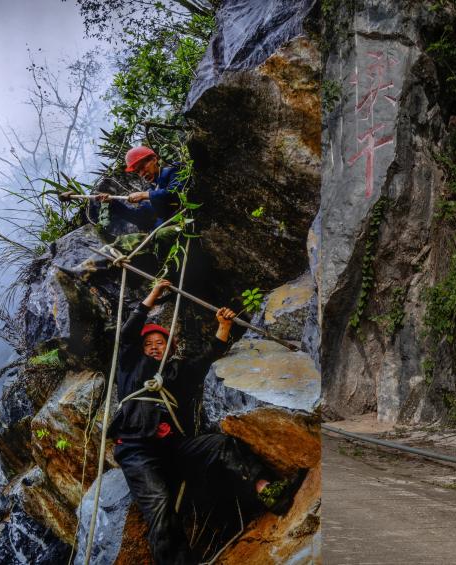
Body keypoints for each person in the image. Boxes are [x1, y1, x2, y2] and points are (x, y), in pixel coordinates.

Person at [108, 279, 295, 565]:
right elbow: (128, 334)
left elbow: (207, 357)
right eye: (150, 344)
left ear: (172, 349)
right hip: (137, 448)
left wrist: (223, 327)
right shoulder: (129, 365)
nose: (155, 347)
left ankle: (267, 490)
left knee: (221, 445)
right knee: (159, 505)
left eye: (162, 343)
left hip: (174, 448)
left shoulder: (178, 373)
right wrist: (154, 295)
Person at [96, 146, 181, 232]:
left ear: (154, 159)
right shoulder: (151, 190)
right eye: (137, 171)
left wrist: (144, 195)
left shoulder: (174, 170)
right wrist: (112, 202)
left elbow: (177, 192)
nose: (141, 174)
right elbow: (138, 218)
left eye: (142, 167)